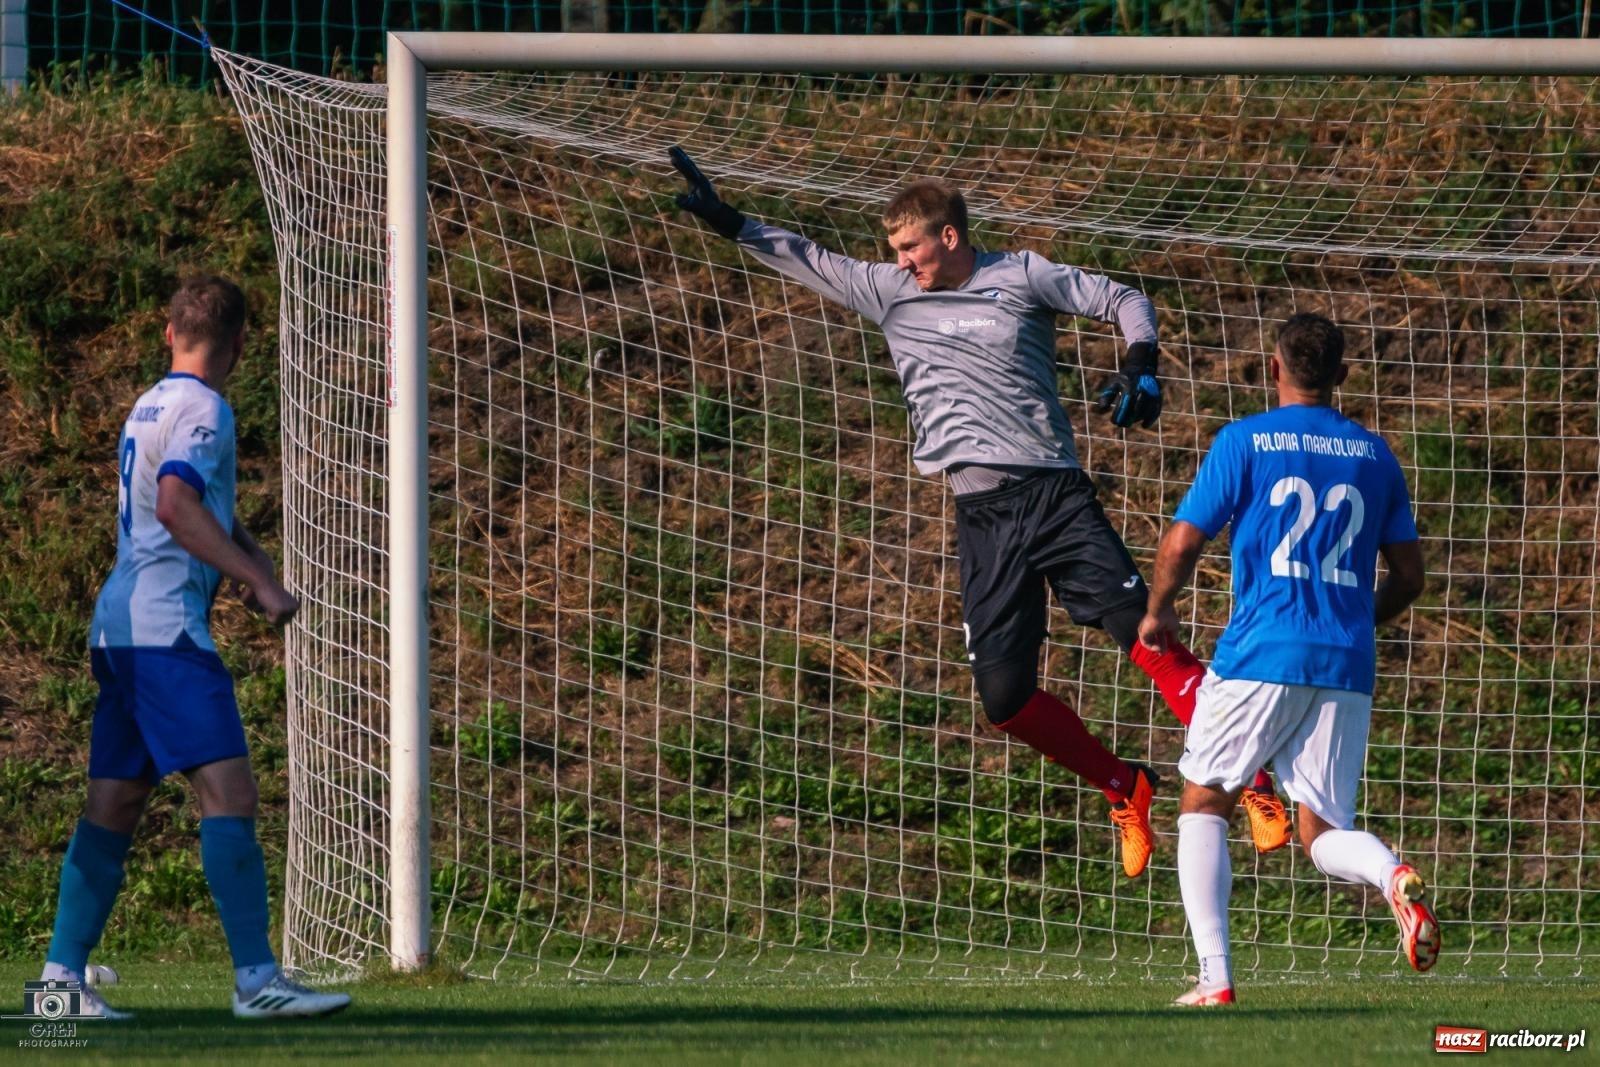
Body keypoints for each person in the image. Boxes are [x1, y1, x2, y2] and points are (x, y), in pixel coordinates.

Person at [670, 148, 1291, 876]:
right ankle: (1126, 786)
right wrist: (729, 222)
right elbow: (806, 256)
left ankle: (1249, 778)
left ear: (950, 237)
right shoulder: (887, 290)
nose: (900, 262)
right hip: (982, 516)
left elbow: (1124, 299)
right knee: (1005, 699)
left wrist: (1139, 360)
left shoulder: (1022, 275)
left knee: (1146, 637)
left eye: (910, 247)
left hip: (1054, 496)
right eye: (893, 250)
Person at [39, 275, 350, 1020]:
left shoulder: (149, 404)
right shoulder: (206, 409)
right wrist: (261, 584)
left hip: (119, 630)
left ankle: (59, 982)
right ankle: (257, 982)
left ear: (167, 332)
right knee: (229, 792)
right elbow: (177, 504)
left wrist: (248, 559)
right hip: (165, 634)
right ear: (241, 343)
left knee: (113, 803)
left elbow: (192, 506)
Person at [1138, 312, 1440, 1006]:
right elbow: (1411, 577)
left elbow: (1182, 544)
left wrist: (1158, 609)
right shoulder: (1374, 453)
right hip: (1345, 662)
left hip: (1260, 651)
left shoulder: (1244, 440)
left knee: (1204, 798)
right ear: (1342, 376)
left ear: (1273, 368)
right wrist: (1358, 620)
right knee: (1321, 831)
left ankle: (1214, 975)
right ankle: (1392, 874)